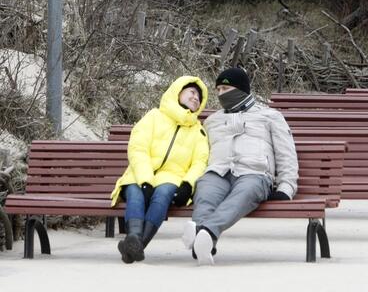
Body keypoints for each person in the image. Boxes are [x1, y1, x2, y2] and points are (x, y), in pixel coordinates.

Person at [181, 67, 298, 266]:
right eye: (217, 90)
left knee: (244, 194)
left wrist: (286, 187)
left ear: (240, 89)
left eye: (225, 88)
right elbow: (200, 153)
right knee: (205, 192)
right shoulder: (212, 121)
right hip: (219, 170)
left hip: (254, 172)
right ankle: (204, 241)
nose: (220, 94)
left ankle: (204, 232)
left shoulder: (270, 116)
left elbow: (286, 153)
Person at [110, 76, 209, 263]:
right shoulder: (153, 117)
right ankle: (135, 241)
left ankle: (135, 244)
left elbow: (200, 162)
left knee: (163, 195)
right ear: (178, 92)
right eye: (192, 92)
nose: (196, 98)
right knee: (135, 192)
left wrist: (188, 184)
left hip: (172, 178)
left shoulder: (198, 131)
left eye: (199, 97)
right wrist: (146, 180)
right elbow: (138, 148)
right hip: (139, 173)